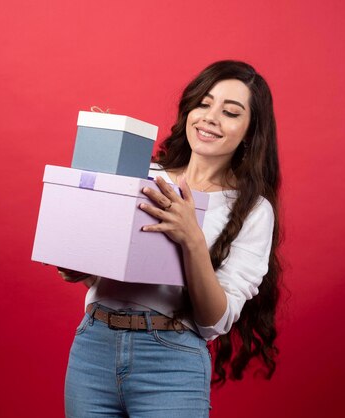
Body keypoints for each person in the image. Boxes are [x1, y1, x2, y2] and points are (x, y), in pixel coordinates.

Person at [59, 60, 282, 417]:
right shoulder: (143, 174)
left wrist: (191, 238)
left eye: (230, 112)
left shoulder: (252, 209)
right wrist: (77, 263)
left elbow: (215, 320)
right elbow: (102, 262)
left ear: (250, 132)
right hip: (93, 349)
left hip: (171, 360)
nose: (210, 117)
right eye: (204, 103)